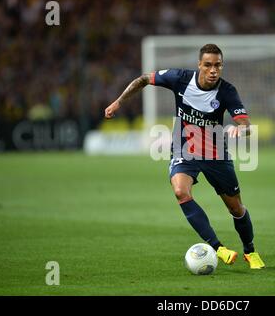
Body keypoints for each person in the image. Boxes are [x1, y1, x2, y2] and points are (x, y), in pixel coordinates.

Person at [105, 44, 265, 269]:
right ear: (199, 64)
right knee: (180, 191)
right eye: (208, 65)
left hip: (215, 153)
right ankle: (218, 248)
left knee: (236, 208)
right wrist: (118, 102)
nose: (213, 70)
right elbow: (142, 79)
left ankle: (250, 251)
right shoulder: (179, 78)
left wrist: (242, 129)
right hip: (184, 150)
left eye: (218, 65)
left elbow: (246, 124)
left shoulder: (227, 91)